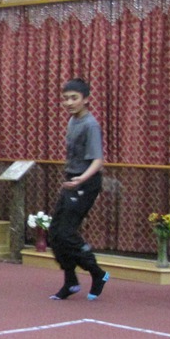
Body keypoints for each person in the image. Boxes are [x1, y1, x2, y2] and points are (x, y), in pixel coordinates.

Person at [48, 79, 109, 301]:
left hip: (86, 183)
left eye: (74, 98)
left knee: (66, 233)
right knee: (54, 233)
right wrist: (72, 179)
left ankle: (98, 273)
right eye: (65, 98)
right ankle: (70, 280)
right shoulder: (72, 121)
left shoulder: (90, 125)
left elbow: (97, 161)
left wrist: (80, 179)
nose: (69, 102)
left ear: (86, 99)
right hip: (71, 181)